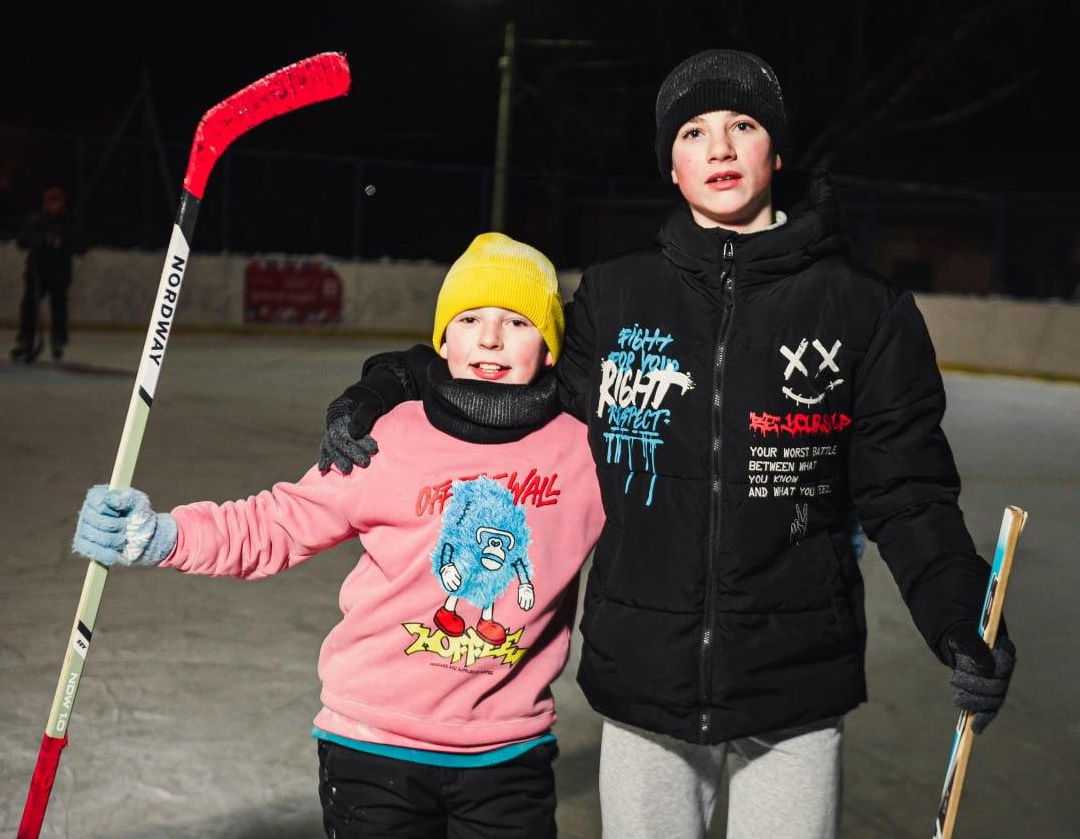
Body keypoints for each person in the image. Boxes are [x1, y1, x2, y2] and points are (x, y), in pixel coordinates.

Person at [318, 50, 1016, 838]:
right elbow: (513, 381)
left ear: (776, 151)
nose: (719, 147)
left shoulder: (864, 310)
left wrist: (959, 615)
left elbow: (909, 489)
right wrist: (386, 384)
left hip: (794, 678)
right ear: (671, 166)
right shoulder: (618, 296)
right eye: (693, 132)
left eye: (742, 125)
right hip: (645, 674)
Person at [71, 232, 605, 839]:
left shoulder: (584, 453)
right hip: (374, 748)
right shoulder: (388, 434)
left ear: (552, 345)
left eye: (516, 321)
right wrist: (161, 535)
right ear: (441, 339)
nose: (489, 338)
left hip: (508, 754)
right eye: (469, 318)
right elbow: (275, 524)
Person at [11, 186, 84, 362]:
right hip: (36, 273)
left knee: (59, 307)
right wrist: (36, 241)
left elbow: (81, 246)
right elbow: (22, 242)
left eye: (56, 201)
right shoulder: (36, 220)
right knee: (29, 306)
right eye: (50, 201)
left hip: (59, 274)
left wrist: (64, 242)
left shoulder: (69, 222)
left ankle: (58, 339)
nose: (53, 205)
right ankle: (25, 339)